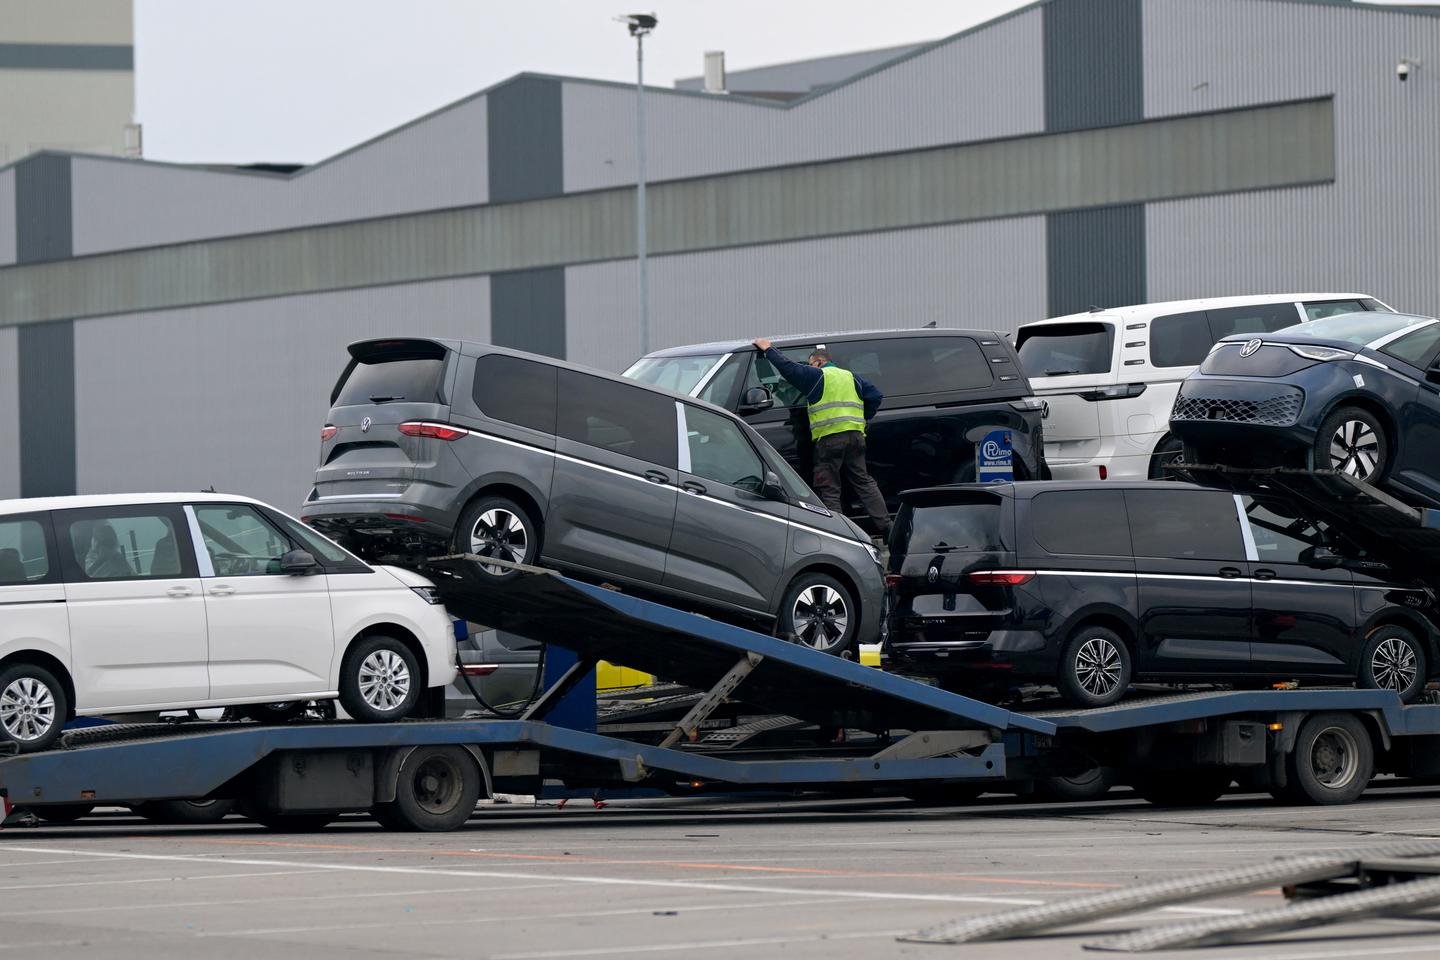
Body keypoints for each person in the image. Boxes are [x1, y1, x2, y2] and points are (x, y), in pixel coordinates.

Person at [751, 338, 891, 542]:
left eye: (809, 364)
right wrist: (862, 418)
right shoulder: (852, 377)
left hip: (829, 439)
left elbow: (787, 368)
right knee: (864, 482)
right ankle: (887, 528)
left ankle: (840, 536)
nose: (808, 368)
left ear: (817, 362)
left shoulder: (817, 375)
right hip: (856, 436)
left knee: (829, 486)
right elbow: (876, 396)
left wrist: (768, 349)